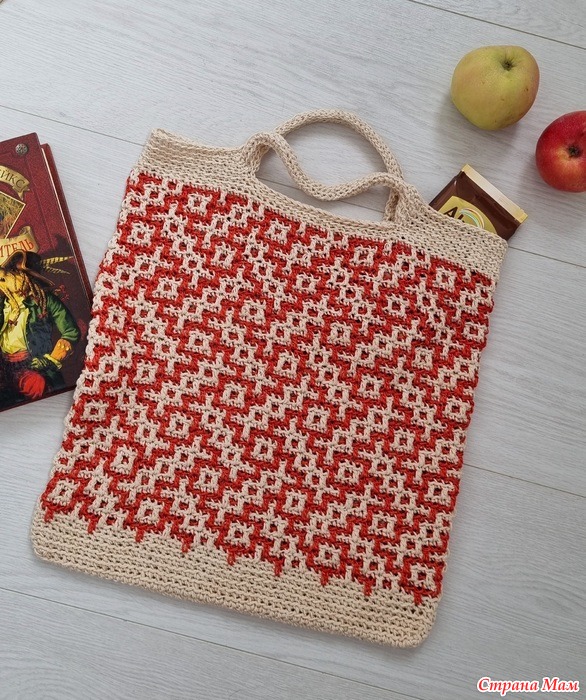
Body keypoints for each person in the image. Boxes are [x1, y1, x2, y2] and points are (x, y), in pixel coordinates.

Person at [0, 250, 80, 405]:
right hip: (4, 365)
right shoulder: (3, 303)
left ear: (24, 276)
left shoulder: (45, 300)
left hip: (32, 363)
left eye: (7, 276)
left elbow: (71, 332)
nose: (2, 282)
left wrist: (50, 360)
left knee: (36, 386)